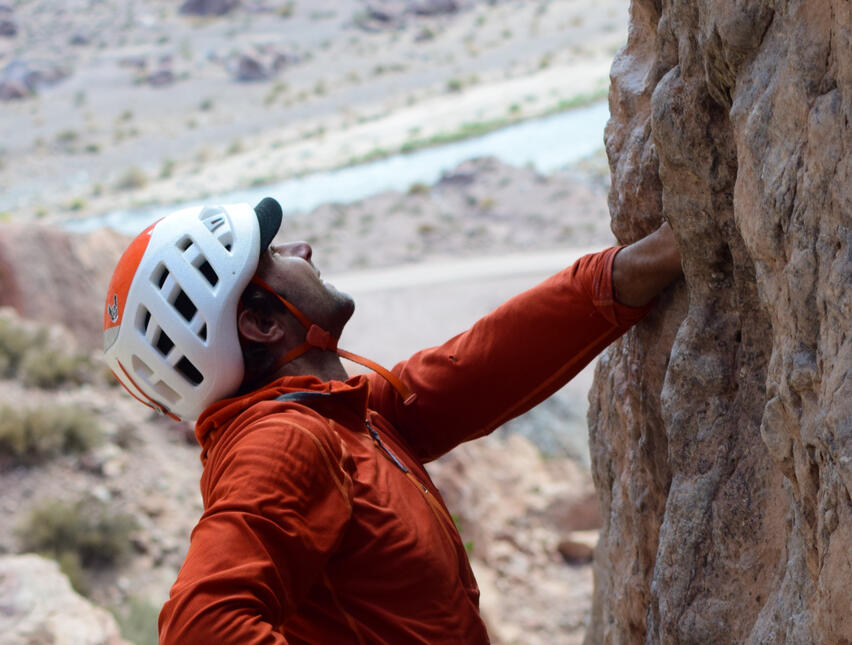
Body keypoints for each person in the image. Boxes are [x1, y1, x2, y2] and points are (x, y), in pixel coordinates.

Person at [103, 197, 682, 644]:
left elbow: (477, 367)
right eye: (274, 256)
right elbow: (200, 628)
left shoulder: (339, 417)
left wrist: (635, 268)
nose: (303, 249)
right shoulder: (285, 440)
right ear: (261, 323)